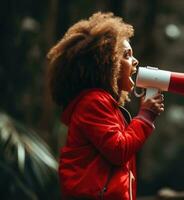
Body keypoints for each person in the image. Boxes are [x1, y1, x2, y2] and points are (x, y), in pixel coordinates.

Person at [47, 12, 164, 199]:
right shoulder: (93, 102)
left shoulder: (105, 105)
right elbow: (118, 151)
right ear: (106, 64)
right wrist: (145, 116)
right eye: (127, 55)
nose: (135, 61)